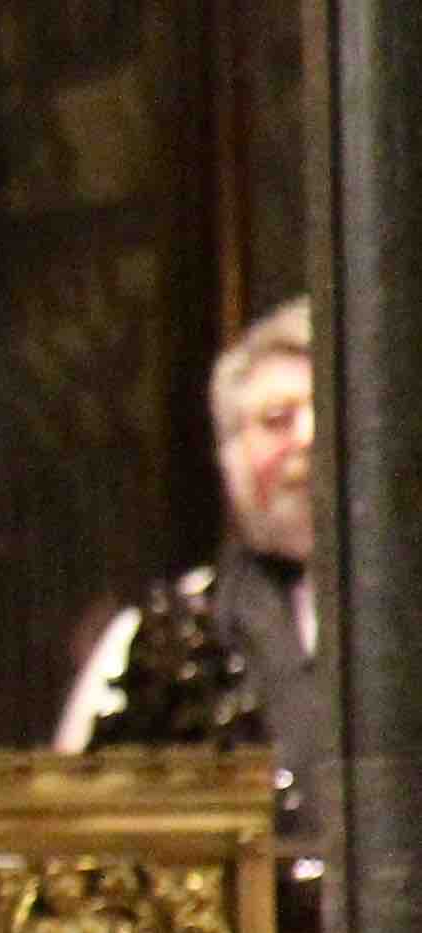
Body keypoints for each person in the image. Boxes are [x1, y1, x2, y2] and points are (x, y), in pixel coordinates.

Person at [53, 296, 327, 839]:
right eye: (277, 419)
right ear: (229, 456)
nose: (308, 437)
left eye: (329, 413)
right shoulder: (160, 639)